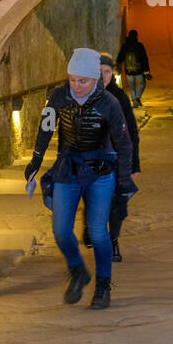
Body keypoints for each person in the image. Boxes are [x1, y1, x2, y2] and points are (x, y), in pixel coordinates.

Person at [24, 49, 137, 309]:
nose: (76, 85)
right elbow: (46, 130)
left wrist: (124, 180)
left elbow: (124, 143)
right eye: (72, 79)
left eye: (82, 80)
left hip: (100, 171)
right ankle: (77, 270)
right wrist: (35, 163)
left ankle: (102, 287)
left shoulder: (109, 102)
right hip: (69, 167)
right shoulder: (58, 97)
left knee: (98, 233)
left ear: (94, 79)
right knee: (61, 231)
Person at [81, 54, 141, 261]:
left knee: (118, 205)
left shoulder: (120, 98)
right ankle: (91, 229)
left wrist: (134, 164)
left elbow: (132, 131)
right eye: (98, 72)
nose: (103, 76)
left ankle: (113, 240)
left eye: (107, 72)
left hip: (117, 160)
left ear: (112, 73)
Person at [116, 29, 151, 107]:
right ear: (136, 36)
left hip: (128, 70)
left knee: (132, 86)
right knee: (142, 83)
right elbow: (144, 58)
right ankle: (137, 98)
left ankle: (134, 101)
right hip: (139, 70)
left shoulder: (125, 46)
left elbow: (120, 58)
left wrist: (118, 67)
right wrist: (147, 70)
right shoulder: (139, 46)